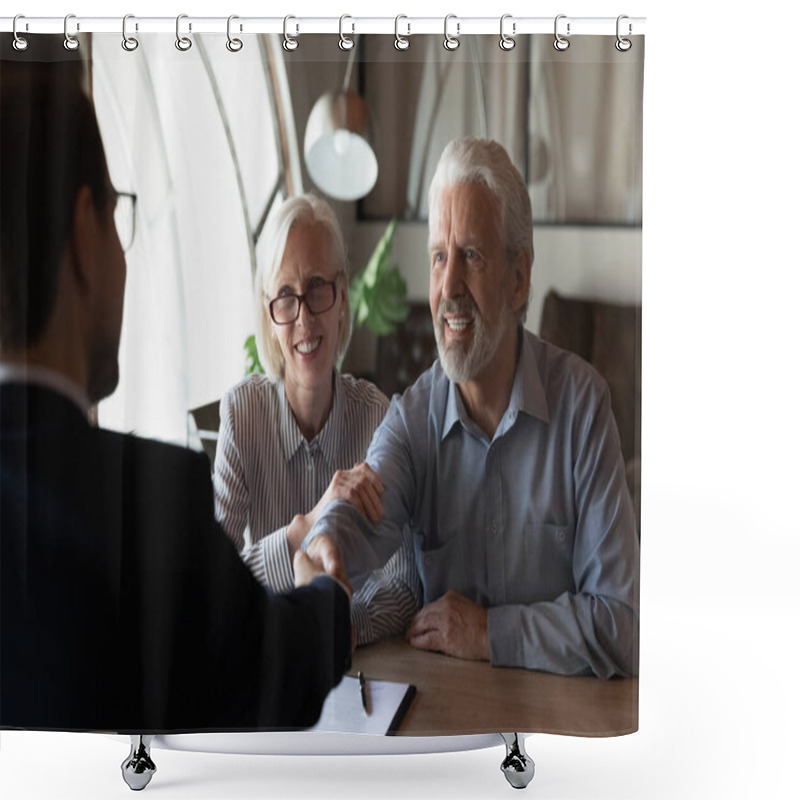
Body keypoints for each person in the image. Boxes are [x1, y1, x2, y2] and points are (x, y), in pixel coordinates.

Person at [0, 52, 351, 733]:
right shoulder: (148, 512)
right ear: (84, 234)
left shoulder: (377, 414)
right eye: (118, 218)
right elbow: (279, 669)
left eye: (319, 292)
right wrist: (326, 594)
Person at [305, 138, 640, 678]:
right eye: (439, 257)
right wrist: (323, 546)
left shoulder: (583, 406)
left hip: (557, 732)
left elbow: (624, 625)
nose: (449, 287)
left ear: (518, 279)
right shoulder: (410, 420)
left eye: (471, 256)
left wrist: (489, 632)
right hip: (448, 730)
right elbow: (358, 523)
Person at [214, 194, 420, 646]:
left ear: (342, 296)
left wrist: (336, 627)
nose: (303, 318)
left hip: (359, 674)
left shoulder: (377, 418)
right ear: (269, 316)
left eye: (317, 289)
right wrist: (301, 531)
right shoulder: (242, 414)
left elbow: (405, 585)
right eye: (285, 297)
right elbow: (210, 584)